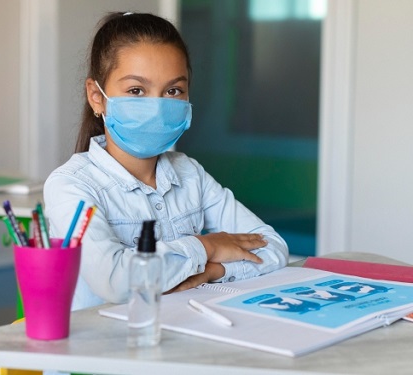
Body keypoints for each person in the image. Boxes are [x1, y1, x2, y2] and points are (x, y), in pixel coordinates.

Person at [44, 12, 289, 311]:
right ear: (97, 96)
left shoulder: (189, 174)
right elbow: (115, 281)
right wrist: (207, 246)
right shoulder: (71, 185)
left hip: (184, 338)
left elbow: (273, 247)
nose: (157, 108)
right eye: (136, 91)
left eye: (173, 91)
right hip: (107, 350)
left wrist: (214, 270)